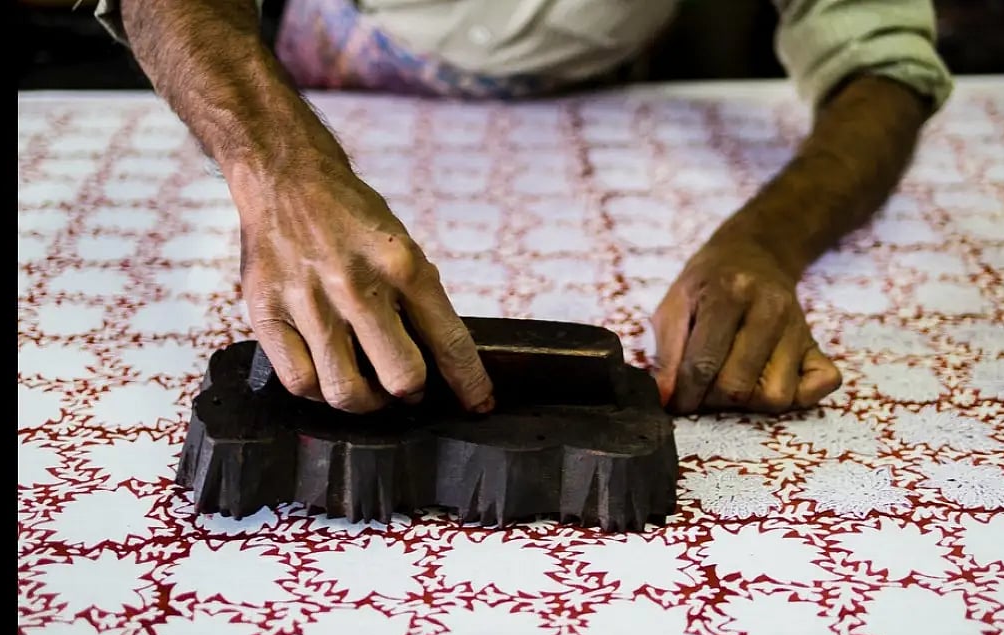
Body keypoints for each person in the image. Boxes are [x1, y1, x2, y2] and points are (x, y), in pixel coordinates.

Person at [90, 0, 953, 416]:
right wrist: (276, 167)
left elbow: (882, 60)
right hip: (292, 87)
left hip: (597, 96)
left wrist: (766, 243)